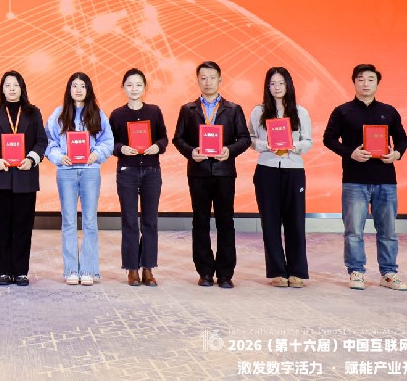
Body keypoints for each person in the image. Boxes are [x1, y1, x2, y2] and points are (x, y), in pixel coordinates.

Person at [323, 64, 407, 291]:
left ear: (377, 83)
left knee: (388, 231)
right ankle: (356, 272)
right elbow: (328, 139)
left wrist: (396, 154)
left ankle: (388, 273)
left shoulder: (389, 111)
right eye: (360, 79)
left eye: (370, 79)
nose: (365, 83)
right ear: (354, 82)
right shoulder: (343, 111)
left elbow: (402, 139)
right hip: (354, 179)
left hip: (385, 180)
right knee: (353, 231)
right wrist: (350, 153)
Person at [172, 60, 251, 289]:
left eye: (212, 77)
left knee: (226, 222)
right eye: (203, 78)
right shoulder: (188, 109)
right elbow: (178, 138)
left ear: (220, 80)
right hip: (198, 173)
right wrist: (191, 152)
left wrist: (229, 151)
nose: (208, 82)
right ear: (198, 81)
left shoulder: (233, 109)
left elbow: (244, 139)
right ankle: (205, 272)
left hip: (224, 173)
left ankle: (225, 274)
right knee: (200, 222)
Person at [0, 71, 47, 286]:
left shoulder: (33, 112)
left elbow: (41, 141)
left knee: (23, 227)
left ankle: (21, 271)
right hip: (0, 177)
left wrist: (32, 159)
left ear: (22, 88)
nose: (11, 89)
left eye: (15, 85)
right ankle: (4, 271)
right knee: (1, 227)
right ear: (2, 88)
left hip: (25, 177)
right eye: (7, 85)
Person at [45, 72, 114, 286]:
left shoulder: (97, 114)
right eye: (74, 85)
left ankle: (88, 270)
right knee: (68, 220)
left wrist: (97, 154)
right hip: (66, 172)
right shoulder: (58, 114)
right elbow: (49, 142)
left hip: (90, 171)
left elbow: (108, 141)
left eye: (82, 86)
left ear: (88, 90)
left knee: (90, 221)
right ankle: (71, 270)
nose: (78, 90)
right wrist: (59, 157)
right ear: (69, 89)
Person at [248, 67, 313, 288]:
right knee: (270, 222)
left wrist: (293, 146)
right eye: (273, 84)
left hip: (293, 170)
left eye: (281, 83)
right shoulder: (258, 112)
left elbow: (308, 141)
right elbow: (250, 139)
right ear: (267, 87)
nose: (277, 87)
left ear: (288, 85)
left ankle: (297, 272)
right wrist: (266, 145)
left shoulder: (300, 112)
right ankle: (277, 271)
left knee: (295, 221)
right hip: (266, 169)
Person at [109, 68, 168, 287]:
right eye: (130, 85)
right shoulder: (117, 114)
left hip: (151, 171)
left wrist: (157, 146)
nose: (134, 89)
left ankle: (148, 268)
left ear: (145, 87)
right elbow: (110, 143)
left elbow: (163, 138)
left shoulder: (154, 111)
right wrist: (121, 148)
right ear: (123, 87)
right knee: (130, 220)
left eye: (138, 85)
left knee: (150, 221)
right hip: (127, 172)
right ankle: (132, 268)